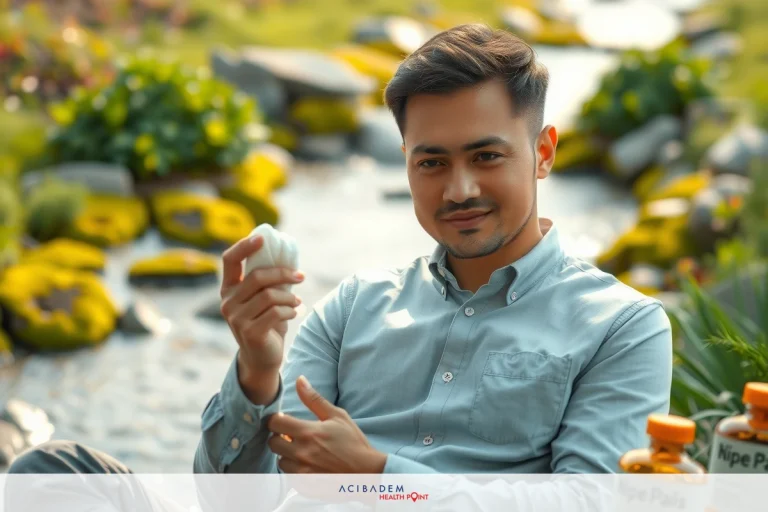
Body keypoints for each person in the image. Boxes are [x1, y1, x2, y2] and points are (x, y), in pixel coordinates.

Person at [8, 22, 672, 508]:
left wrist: (381, 477)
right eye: (431, 162)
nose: (460, 188)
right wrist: (258, 372)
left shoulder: (624, 327)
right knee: (53, 471)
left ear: (545, 152)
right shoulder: (354, 308)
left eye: (487, 156)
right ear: (407, 164)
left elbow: (591, 501)